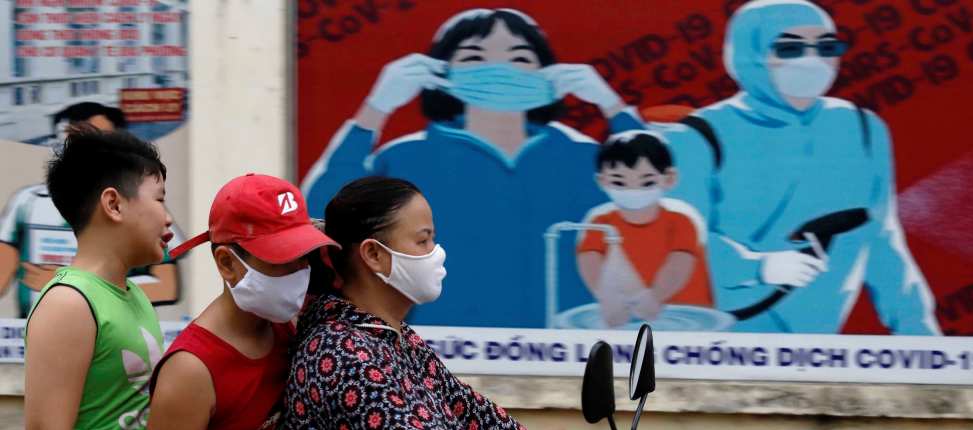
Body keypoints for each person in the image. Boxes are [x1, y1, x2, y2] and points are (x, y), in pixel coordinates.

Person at [284, 176, 607, 430]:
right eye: (422, 241)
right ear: (373, 255)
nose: (436, 253)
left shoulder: (393, 338)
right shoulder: (340, 355)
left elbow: (479, 419)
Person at [301, 8, 645, 328]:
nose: (501, 71)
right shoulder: (406, 156)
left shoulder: (584, 157)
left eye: (520, 58)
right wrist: (375, 108)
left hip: (566, 350)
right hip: (437, 351)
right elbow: (324, 217)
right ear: (440, 73)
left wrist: (611, 104)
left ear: (549, 74)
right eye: (474, 57)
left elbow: (660, 195)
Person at [660, 0, 939, 334]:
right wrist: (758, 267)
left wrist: (919, 330)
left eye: (826, 47)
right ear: (749, 53)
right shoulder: (697, 137)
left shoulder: (862, 128)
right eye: (790, 48)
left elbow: (881, 240)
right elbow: (675, 241)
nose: (812, 61)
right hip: (725, 339)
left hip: (818, 347)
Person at [140, 174, 338, 430]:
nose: (299, 275)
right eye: (281, 261)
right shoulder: (192, 368)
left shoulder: (286, 326)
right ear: (227, 264)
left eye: (303, 258)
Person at [23, 129, 178, 430]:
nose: (168, 218)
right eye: (160, 198)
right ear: (113, 204)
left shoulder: (135, 295)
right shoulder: (70, 303)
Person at [0, 101, 183, 318]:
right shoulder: (27, 202)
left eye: (100, 143)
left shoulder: (142, 208)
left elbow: (167, 286)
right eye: (74, 141)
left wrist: (72, 286)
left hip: (116, 336)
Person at [577, 131, 713, 327]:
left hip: (687, 319)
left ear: (669, 179)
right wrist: (608, 298)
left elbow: (679, 264)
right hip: (628, 322)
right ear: (602, 181)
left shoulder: (680, 222)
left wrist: (654, 297)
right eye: (619, 182)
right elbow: (590, 260)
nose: (633, 190)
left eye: (647, 182)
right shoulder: (600, 223)